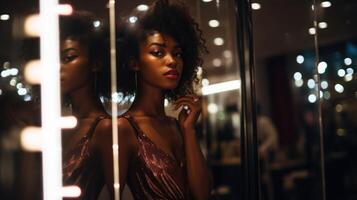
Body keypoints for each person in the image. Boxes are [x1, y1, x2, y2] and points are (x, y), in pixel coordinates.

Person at [92, 0, 212, 199]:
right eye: (158, 52)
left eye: (178, 53)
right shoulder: (124, 129)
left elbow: (203, 194)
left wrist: (189, 130)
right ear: (134, 63)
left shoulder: (177, 125)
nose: (172, 61)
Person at [59, 11, 110, 200]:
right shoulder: (62, 126)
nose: (58, 67)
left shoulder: (103, 128)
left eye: (68, 57)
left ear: (95, 63)